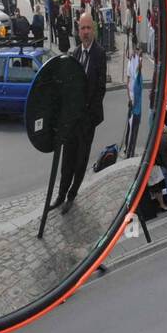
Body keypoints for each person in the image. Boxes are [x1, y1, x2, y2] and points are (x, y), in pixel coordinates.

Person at [52, 12, 106, 214]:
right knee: (67, 159)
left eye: (88, 28)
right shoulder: (75, 53)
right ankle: (60, 195)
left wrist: (87, 116)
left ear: (93, 29)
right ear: (78, 30)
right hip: (72, 119)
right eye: (82, 28)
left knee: (80, 160)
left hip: (88, 119)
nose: (85, 32)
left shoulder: (99, 54)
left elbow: (99, 89)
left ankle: (71, 195)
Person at [122, 45, 143, 159]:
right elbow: (139, 68)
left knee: (131, 130)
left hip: (133, 104)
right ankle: (129, 152)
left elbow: (127, 83)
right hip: (136, 107)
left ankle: (128, 150)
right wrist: (139, 57)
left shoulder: (131, 66)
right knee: (133, 130)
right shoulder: (136, 73)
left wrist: (129, 99)